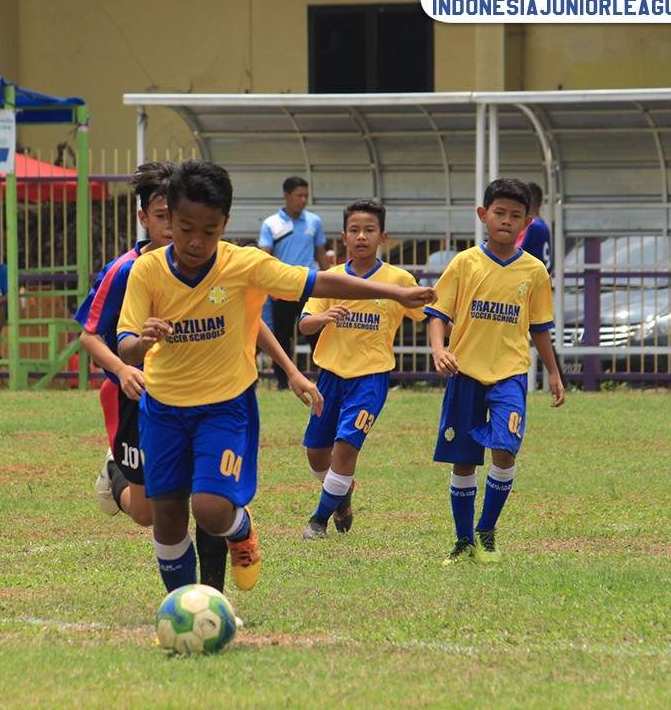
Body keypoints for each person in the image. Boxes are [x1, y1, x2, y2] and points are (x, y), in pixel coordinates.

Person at [116, 159, 433, 594]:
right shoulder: (146, 272)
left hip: (223, 407)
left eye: (209, 232)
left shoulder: (243, 264)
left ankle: (240, 528)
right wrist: (143, 340)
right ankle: (188, 608)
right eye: (186, 228)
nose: (195, 241)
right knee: (167, 518)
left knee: (210, 509)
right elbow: (124, 345)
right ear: (168, 218)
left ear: (224, 224)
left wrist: (396, 291)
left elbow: (322, 283)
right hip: (164, 409)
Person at [77, 161, 324, 593]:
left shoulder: (219, 264)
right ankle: (115, 472)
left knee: (209, 500)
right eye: (168, 221)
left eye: (203, 228)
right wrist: (123, 368)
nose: (183, 236)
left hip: (212, 398)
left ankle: (208, 599)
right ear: (153, 218)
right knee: (150, 512)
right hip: (141, 398)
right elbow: (93, 335)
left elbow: (247, 322)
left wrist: (290, 370)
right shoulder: (129, 271)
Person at [426, 178, 565, 566]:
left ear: (527, 223)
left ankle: (487, 530)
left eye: (515, 215)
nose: (506, 220)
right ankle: (463, 540)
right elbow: (437, 315)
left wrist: (553, 372)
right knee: (464, 459)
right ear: (483, 215)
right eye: (499, 213)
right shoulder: (465, 263)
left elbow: (539, 328)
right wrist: (440, 350)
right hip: (465, 373)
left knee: (504, 449)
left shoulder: (534, 271)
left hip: (509, 375)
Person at [297, 199, 427, 539]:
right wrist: (321, 319)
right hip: (329, 379)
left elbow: (430, 315)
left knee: (345, 447)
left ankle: (318, 521)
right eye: (354, 230)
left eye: (369, 230)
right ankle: (342, 497)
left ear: (382, 236)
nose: (361, 237)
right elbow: (304, 324)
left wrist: (450, 345)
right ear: (343, 237)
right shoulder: (330, 278)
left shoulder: (397, 280)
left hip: (370, 379)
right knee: (316, 454)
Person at [259, 176, 330, 390]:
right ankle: (282, 380)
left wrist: (329, 283)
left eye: (306, 196)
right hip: (281, 288)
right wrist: (269, 287)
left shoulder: (314, 222)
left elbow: (321, 254)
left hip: (309, 287)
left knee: (316, 333)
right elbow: (264, 257)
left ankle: (325, 377)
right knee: (281, 336)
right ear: (287, 196)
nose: (303, 200)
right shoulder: (271, 223)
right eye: (299, 195)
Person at [516, 181, 552, 275]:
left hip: (529, 280)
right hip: (542, 278)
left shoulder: (530, 226)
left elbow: (513, 254)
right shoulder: (543, 226)